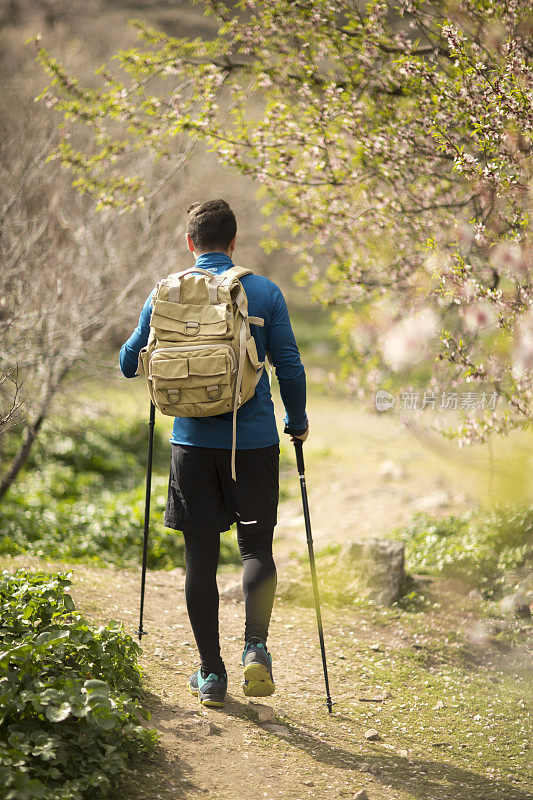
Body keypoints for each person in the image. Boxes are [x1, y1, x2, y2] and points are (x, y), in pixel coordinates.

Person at [119, 199, 308, 708]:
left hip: (191, 446)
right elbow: (288, 365)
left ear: (190, 243)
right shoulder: (263, 291)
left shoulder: (164, 292)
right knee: (256, 549)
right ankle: (255, 647)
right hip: (253, 444)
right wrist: (297, 421)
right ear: (233, 240)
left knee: (199, 561)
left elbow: (126, 361)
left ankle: (210, 674)